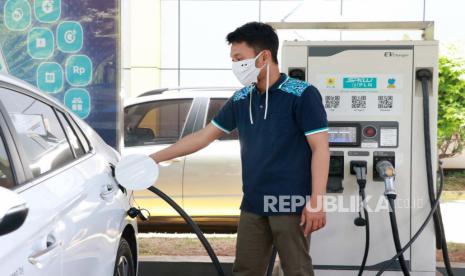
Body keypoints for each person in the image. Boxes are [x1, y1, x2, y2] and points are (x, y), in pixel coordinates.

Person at [150, 22, 329, 276]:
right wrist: (152, 159)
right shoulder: (241, 99)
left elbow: (320, 148)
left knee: (297, 270)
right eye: (232, 59)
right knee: (245, 270)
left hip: (292, 204)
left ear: (264, 56)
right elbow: (203, 137)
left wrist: (316, 201)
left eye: (239, 58)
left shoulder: (302, 95)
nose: (235, 65)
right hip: (253, 204)